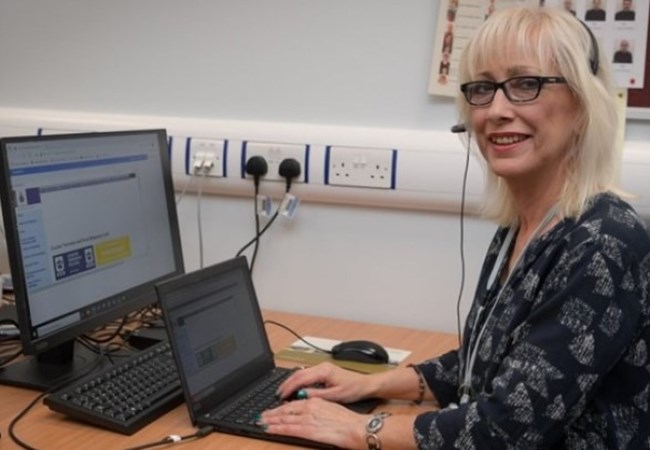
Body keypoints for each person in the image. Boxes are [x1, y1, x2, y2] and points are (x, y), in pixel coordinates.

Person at [258, 6, 650, 449]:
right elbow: (488, 364)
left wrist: (358, 428)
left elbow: (506, 428)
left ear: (581, 105)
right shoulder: (527, 226)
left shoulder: (603, 242)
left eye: (526, 84)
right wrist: (369, 385)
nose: (497, 110)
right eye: (483, 88)